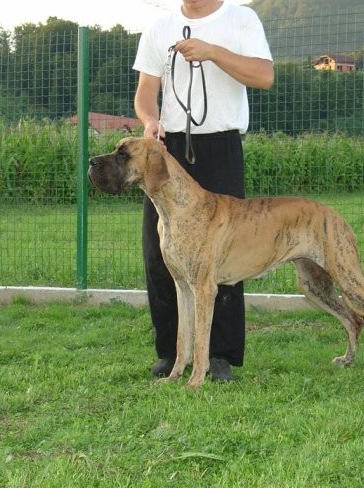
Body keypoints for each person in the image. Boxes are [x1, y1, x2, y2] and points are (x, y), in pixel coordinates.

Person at [132, 0, 274, 381]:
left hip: (221, 147)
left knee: (226, 253)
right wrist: (150, 120)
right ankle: (170, 352)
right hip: (170, 150)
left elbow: (264, 76)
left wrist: (212, 52)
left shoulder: (241, 19)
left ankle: (220, 356)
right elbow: (146, 91)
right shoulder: (159, 27)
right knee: (159, 252)